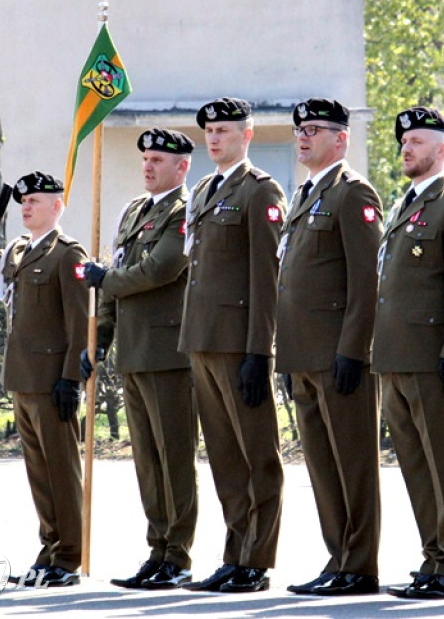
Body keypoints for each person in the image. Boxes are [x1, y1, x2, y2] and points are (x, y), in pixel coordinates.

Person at [80, 128, 198, 590]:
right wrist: (100, 340)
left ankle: (179, 555)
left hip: (168, 353)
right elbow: (114, 280)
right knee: (147, 462)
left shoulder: (185, 210)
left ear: (181, 166)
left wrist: (105, 279)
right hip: (133, 351)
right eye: (145, 158)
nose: (148, 166)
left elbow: (161, 269)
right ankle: (157, 549)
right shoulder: (135, 211)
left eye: (158, 160)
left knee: (174, 459)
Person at [178, 98, 286, 594]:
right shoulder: (202, 191)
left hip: (239, 344)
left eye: (224, 130)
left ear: (247, 135)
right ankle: (234, 553)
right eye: (209, 131)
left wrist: (259, 350)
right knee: (223, 456)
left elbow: (266, 278)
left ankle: (256, 560)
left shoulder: (259, 190)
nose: (214, 138)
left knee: (255, 456)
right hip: (201, 339)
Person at [0, 172, 87, 588]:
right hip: (21, 379)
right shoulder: (16, 251)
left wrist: (71, 379)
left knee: (62, 474)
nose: (27, 207)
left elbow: (78, 322)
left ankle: (68, 558)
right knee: (40, 475)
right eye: (23, 202)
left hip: (52, 382)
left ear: (57, 207)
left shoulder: (67, 254)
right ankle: (48, 550)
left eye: (35, 201)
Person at [279, 98, 384, 597]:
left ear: (341, 139)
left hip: (339, 356)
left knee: (353, 464)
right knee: (321, 466)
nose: (304, 136)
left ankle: (360, 565)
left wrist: (354, 349)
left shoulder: (352, 194)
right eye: (301, 129)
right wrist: (287, 354)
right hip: (304, 354)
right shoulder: (304, 195)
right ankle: (337, 557)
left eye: (315, 129)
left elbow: (367, 281)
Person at [375, 108, 444, 599]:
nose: (407, 148)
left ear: (442, 151)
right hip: (395, 356)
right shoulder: (405, 204)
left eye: (417, 141)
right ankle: (434, 554)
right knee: (416, 466)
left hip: (430, 356)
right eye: (404, 141)